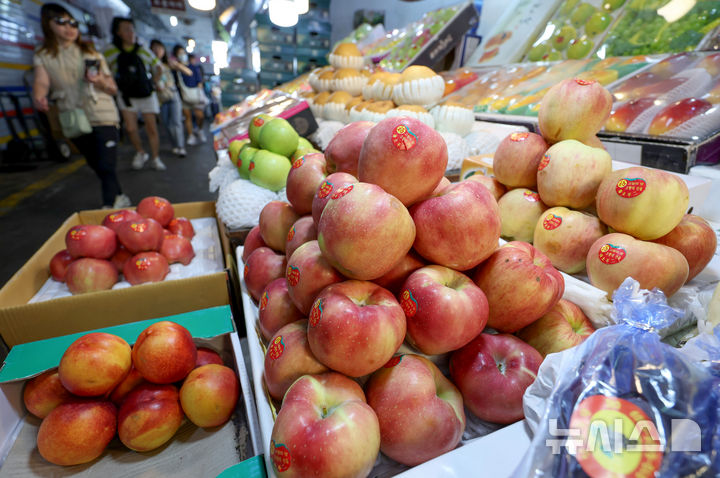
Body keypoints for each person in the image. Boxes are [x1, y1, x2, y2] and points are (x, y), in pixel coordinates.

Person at [32, 3, 130, 209]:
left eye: (73, 23)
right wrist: (39, 96)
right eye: (61, 22)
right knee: (97, 164)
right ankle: (119, 195)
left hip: (102, 114)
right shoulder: (43, 55)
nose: (69, 28)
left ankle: (109, 207)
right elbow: (41, 81)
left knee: (106, 163)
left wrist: (100, 81)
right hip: (73, 116)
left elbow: (112, 87)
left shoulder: (91, 53)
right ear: (47, 24)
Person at [104, 17, 165, 171]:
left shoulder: (143, 49)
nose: (130, 32)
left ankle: (155, 157)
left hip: (146, 93)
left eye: (132, 29)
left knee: (152, 127)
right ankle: (140, 152)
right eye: (126, 29)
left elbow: (158, 67)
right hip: (126, 95)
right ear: (117, 32)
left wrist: (154, 82)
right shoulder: (110, 51)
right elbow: (105, 71)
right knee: (130, 128)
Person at [150, 39, 189, 157]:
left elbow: (188, 72)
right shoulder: (150, 65)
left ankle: (181, 146)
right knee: (166, 123)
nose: (157, 51)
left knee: (176, 122)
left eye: (160, 48)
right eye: (154, 48)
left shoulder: (168, 63)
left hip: (173, 94)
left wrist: (178, 64)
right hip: (161, 98)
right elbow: (152, 82)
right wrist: (158, 74)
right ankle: (174, 145)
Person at [173, 46, 207, 145]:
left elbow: (199, 80)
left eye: (183, 52)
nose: (182, 55)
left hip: (195, 95)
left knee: (200, 116)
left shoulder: (193, 67)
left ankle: (200, 130)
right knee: (187, 117)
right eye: (179, 53)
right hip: (183, 96)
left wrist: (200, 94)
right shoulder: (176, 70)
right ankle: (191, 135)